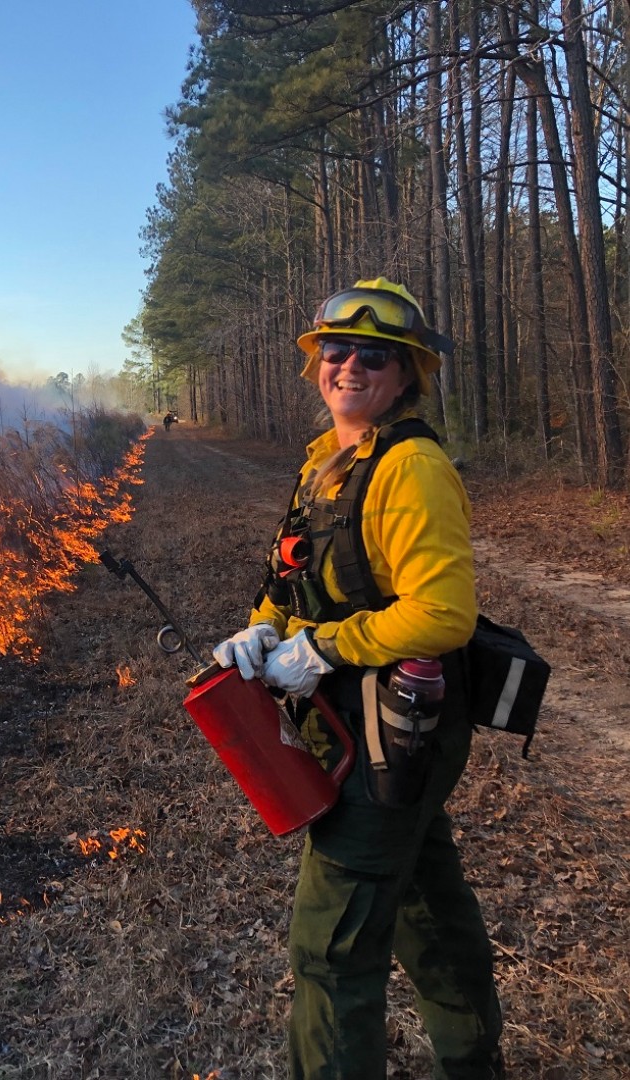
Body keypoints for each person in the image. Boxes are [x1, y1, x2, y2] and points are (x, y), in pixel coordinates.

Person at [212, 278, 504, 1079]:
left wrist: (327, 650)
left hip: (395, 730)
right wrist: (265, 627)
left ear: (406, 375)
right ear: (316, 366)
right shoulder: (327, 463)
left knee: (330, 950)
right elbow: (297, 579)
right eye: (335, 352)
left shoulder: (410, 468)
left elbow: (444, 614)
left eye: (373, 356)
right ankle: (475, 1060)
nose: (349, 367)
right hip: (353, 724)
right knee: (426, 904)